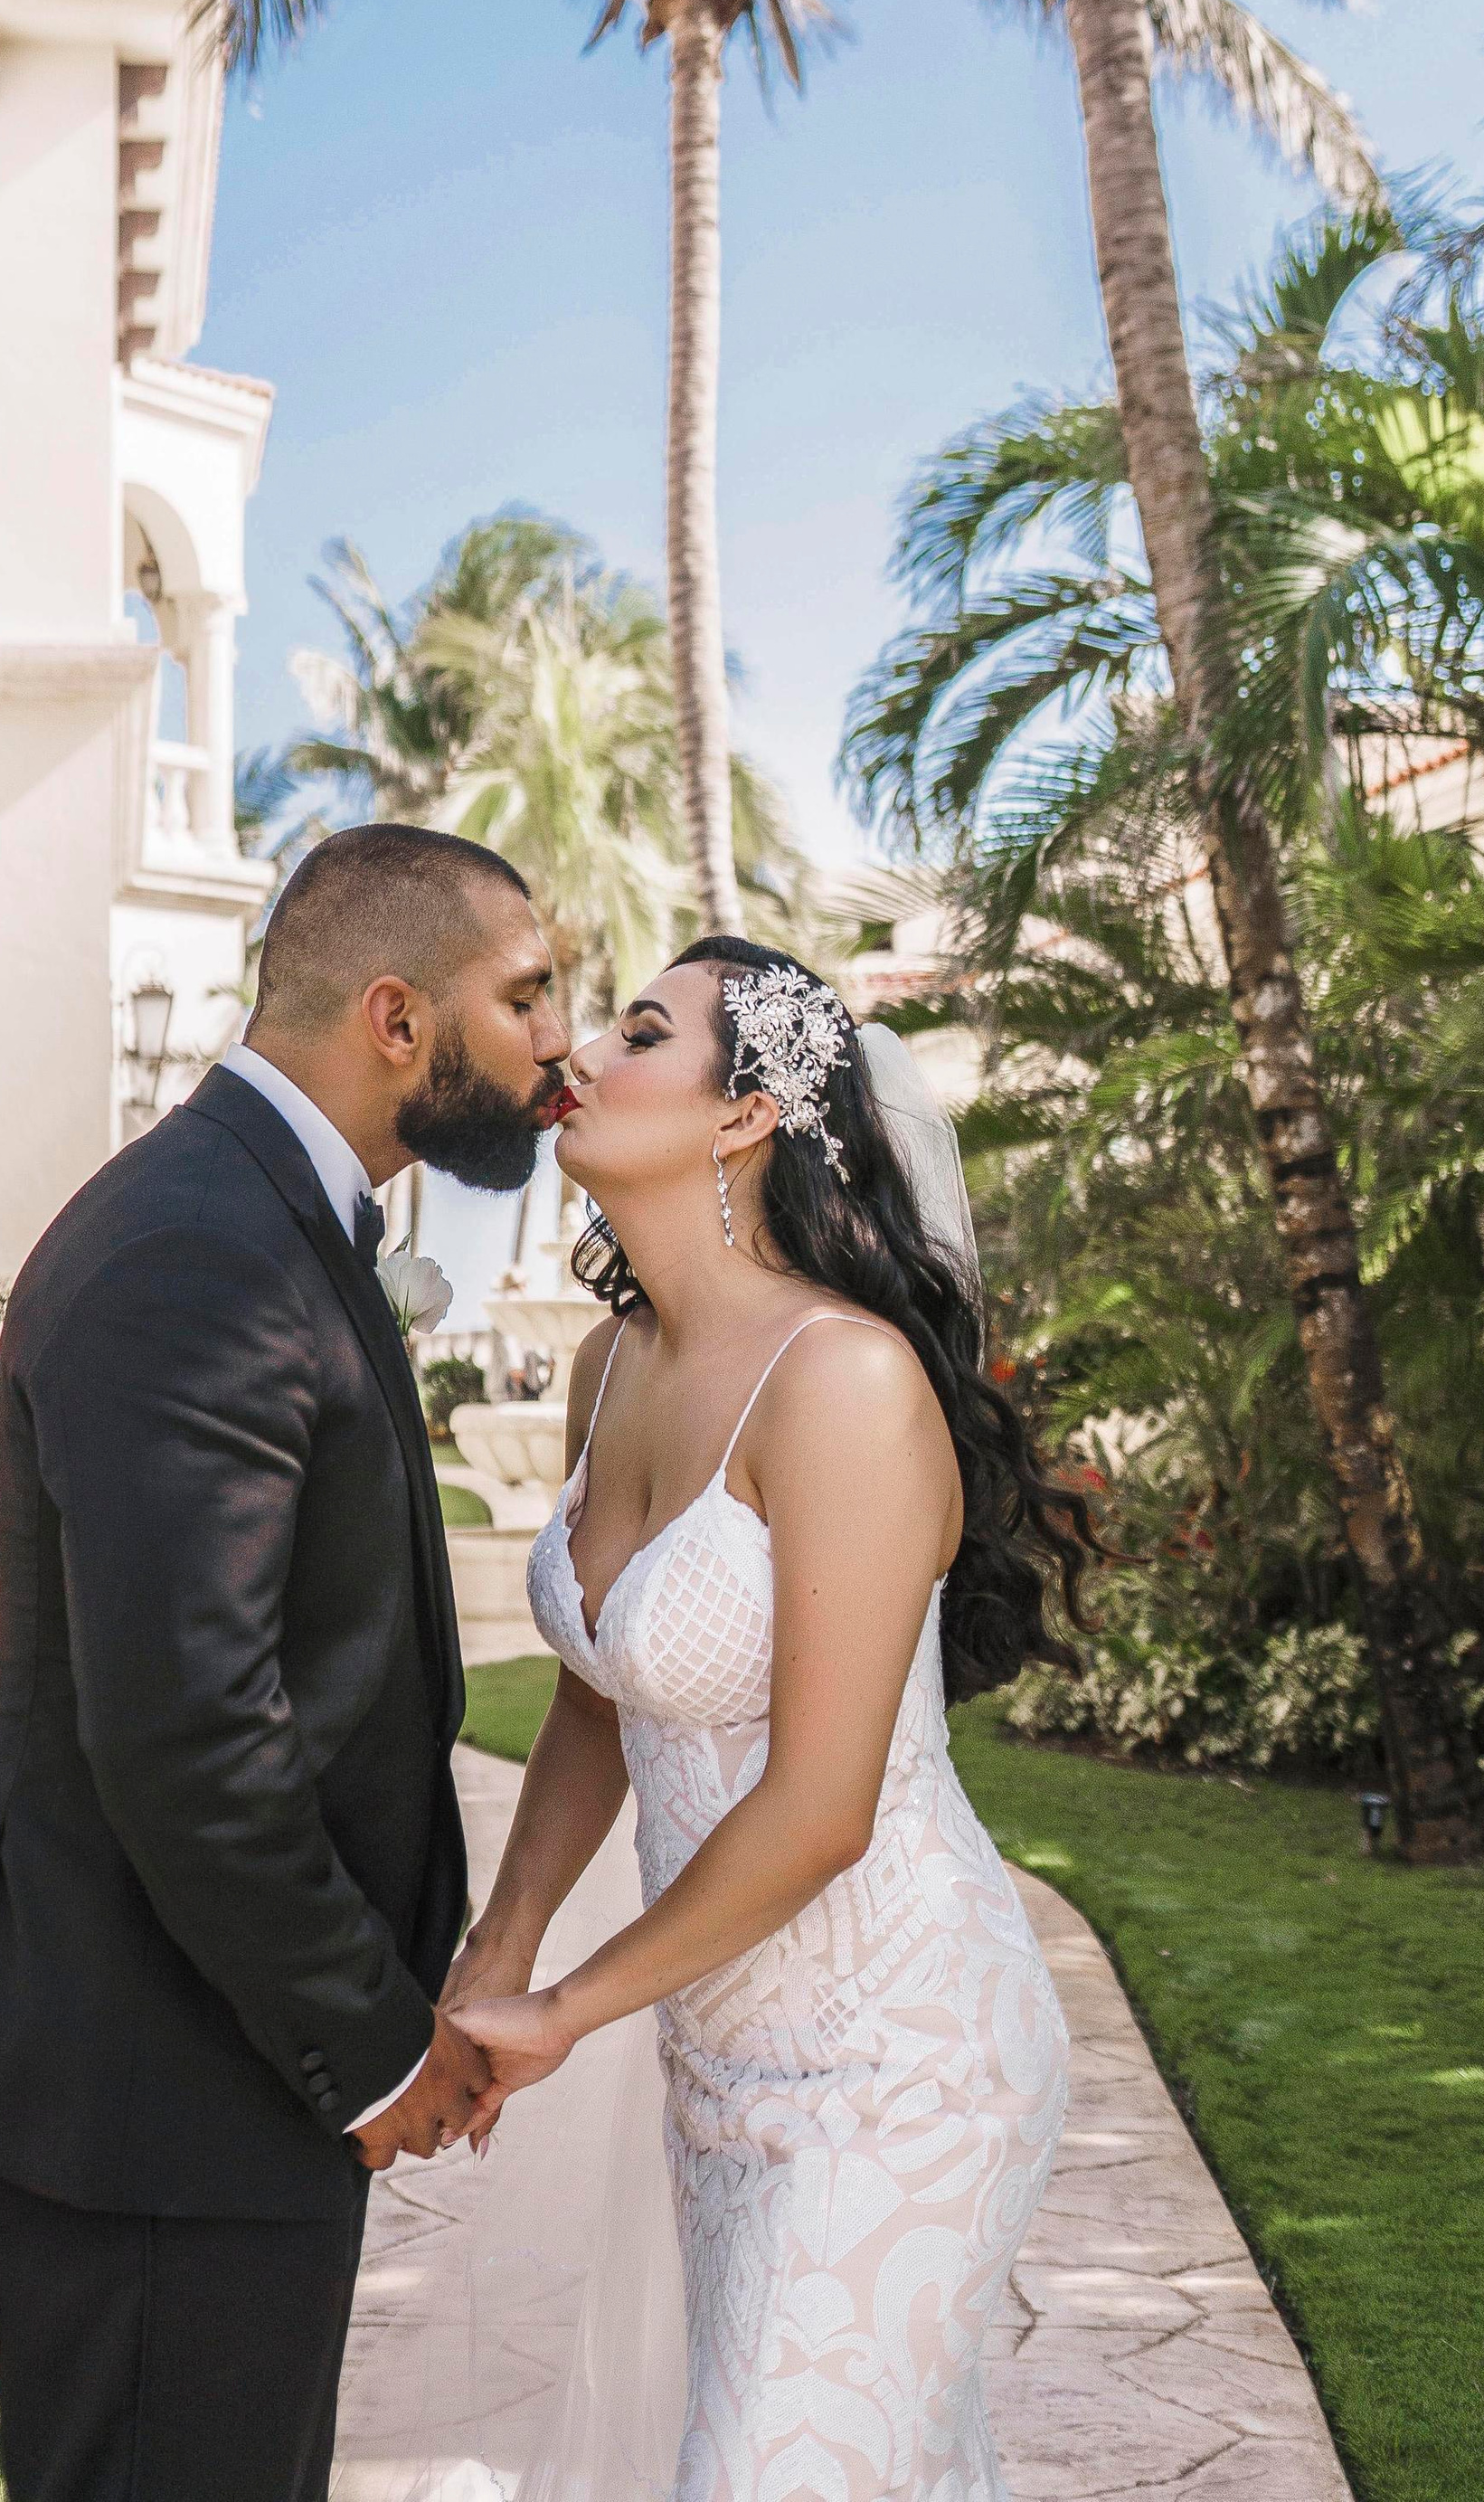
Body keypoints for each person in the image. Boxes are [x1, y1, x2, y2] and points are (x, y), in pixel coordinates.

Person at [0, 825, 572, 2502]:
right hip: (149, 2096)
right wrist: (377, 2046)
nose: (560, 1037)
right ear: (400, 1021)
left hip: (208, 2083)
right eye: (531, 994)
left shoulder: (266, 1220)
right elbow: (192, 1731)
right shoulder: (197, 1251)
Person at [446, 934, 1094, 2502]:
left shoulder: (845, 1381)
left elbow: (821, 1809)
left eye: (643, 1033)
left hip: (909, 2063)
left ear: (745, 1116)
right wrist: (503, 1938)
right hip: (721, 2058)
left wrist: (566, 2010)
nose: (581, 1055)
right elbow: (606, 1694)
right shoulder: (615, 1362)